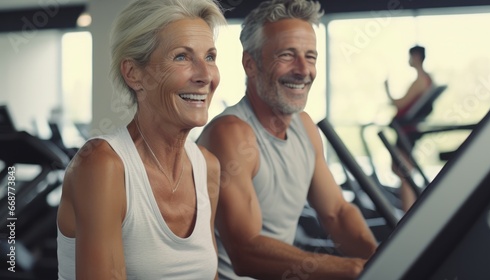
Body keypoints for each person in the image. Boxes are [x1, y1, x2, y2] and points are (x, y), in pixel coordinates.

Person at [197, 0, 378, 279]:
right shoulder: (231, 134)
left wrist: (380, 259)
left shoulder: (304, 127)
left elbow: (337, 213)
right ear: (251, 64)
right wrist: (352, 268)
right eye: (287, 55)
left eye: (311, 56)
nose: (303, 69)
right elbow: (246, 252)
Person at [56, 0, 226, 279]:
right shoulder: (102, 165)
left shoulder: (207, 166)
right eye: (182, 57)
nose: (206, 75)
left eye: (210, 57)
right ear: (134, 74)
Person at [387, 45, 434, 211]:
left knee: (403, 172)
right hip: (408, 130)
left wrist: (386, 90)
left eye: (410, 56)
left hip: (407, 130)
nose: (408, 60)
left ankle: (409, 212)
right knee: (401, 170)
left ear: (416, 56)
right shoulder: (427, 79)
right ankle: (410, 209)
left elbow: (399, 104)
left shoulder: (421, 80)